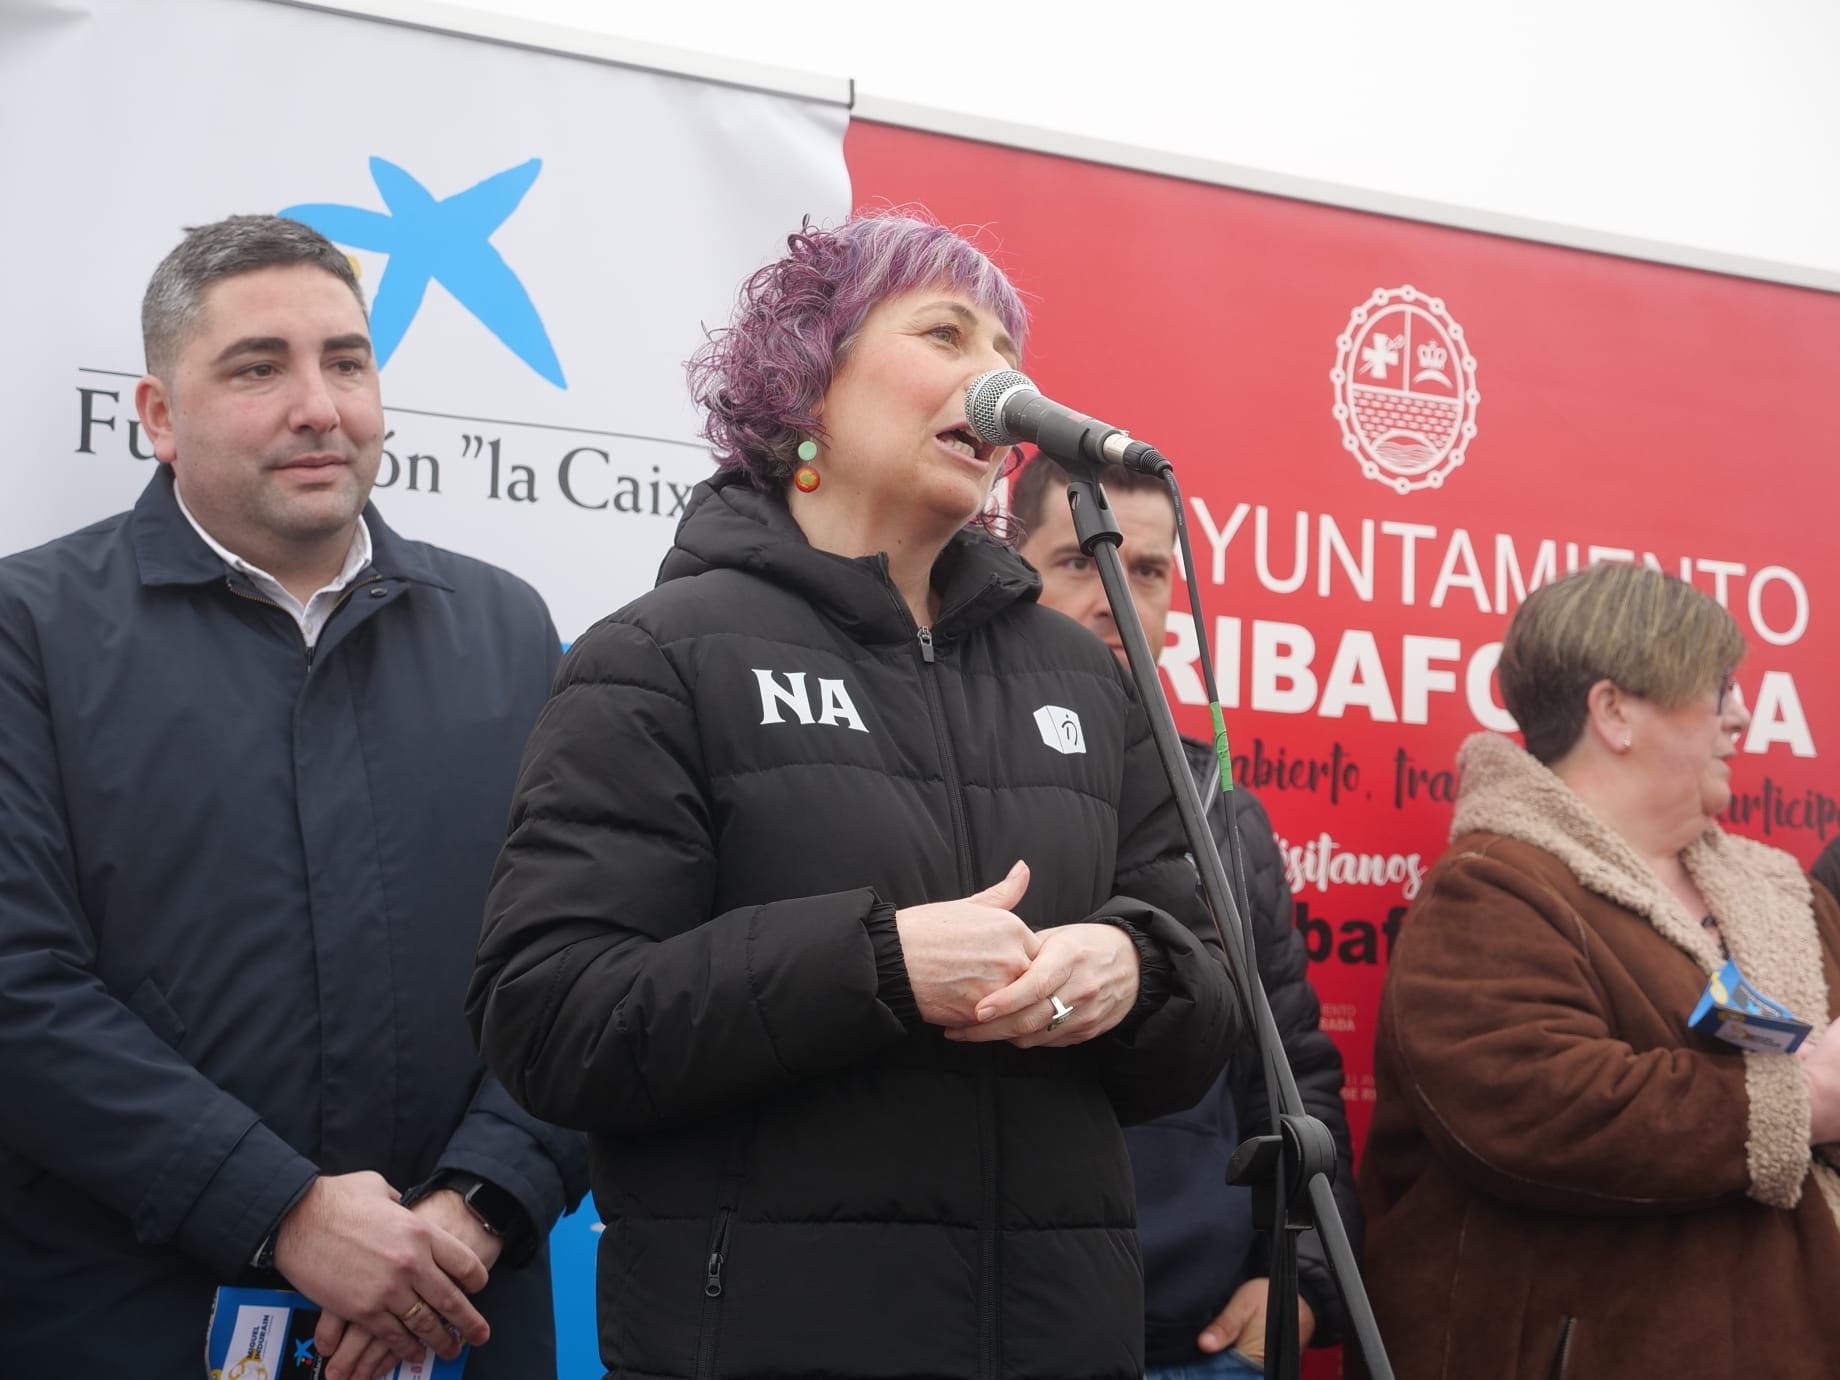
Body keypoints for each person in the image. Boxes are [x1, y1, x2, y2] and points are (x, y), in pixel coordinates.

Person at [467, 213, 1240, 1380]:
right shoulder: (665, 655)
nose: (997, 378)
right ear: (806, 383)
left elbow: (1202, 1014)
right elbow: (552, 1017)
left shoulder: (1080, 675)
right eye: (945, 333)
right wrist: (873, 966)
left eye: (1006, 348)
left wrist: (1136, 972)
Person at [0, 216, 586, 1380]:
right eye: (259, 367)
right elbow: (19, 988)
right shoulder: (32, 630)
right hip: (122, 1326)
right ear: (158, 417)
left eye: (347, 362)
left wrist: (472, 1211)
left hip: (461, 1324)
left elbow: (584, 969)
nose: (319, 405)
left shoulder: (509, 630)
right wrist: (285, 1212)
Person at [1356, 562, 1840, 1379]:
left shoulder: (1785, 894)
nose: (1741, 715)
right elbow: (1540, 1108)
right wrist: (1807, 1098)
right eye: (1717, 686)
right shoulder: (1491, 889)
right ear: (1614, 711)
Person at [1012, 454, 1360, 1377]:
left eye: (1148, 571)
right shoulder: (948, 771)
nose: (1116, 599)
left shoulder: (1223, 808)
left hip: (1195, 1342)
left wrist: (1307, 1273)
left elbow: (1293, 1071)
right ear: (1011, 570)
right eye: (1080, 561)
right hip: (995, 1327)